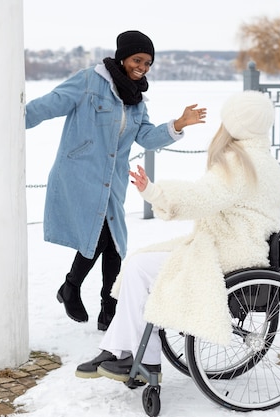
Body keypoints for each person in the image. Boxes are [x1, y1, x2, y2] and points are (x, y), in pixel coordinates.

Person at [74, 90, 280, 381]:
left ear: (235, 124)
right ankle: (121, 351)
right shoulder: (263, 161)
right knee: (141, 263)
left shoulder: (239, 163)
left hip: (228, 251)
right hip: (240, 246)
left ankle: (138, 358)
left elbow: (203, 197)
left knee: (139, 268)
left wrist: (154, 192)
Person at [24, 30, 207, 331]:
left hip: (111, 183)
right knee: (102, 237)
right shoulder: (89, 81)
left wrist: (178, 124)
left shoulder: (137, 100)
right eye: (138, 60)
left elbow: (146, 137)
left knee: (114, 244)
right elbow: (51, 103)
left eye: (148, 63)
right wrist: (11, 118)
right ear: (123, 57)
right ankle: (87, 296)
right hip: (79, 176)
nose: (143, 68)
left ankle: (98, 304)